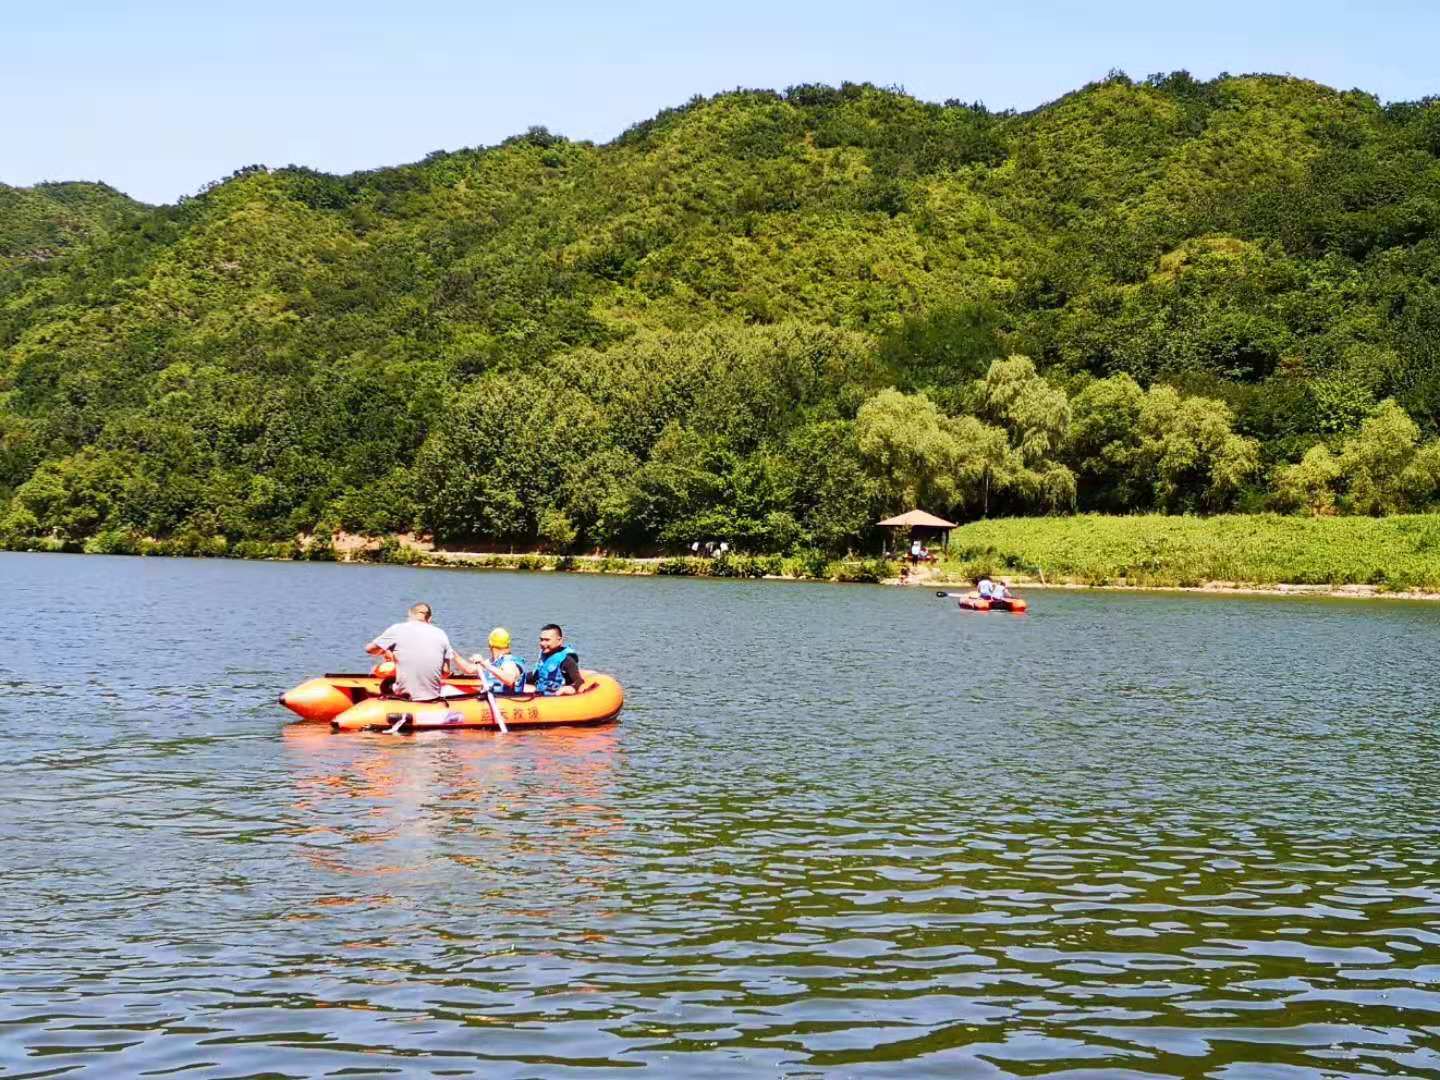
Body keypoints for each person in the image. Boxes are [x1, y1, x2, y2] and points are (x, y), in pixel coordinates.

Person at [366, 602, 478, 701]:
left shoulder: (397, 629)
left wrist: (387, 650)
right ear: (429, 619)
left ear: (409, 615)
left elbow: (370, 649)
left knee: (386, 684)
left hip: (405, 698)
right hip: (432, 698)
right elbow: (445, 671)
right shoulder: (441, 634)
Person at [468, 627, 526, 695]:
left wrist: (484, 664)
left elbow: (509, 680)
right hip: (491, 699)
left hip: (507, 702)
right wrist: (454, 655)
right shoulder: (492, 661)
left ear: (490, 645)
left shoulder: (509, 662)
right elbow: (468, 669)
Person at [529, 623, 583, 696]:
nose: (542, 643)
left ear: (559, 640)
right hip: (542, 694)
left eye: (547, 640)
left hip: (558, 699)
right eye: (541, 640)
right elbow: (536, 676)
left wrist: (571, 688)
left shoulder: (567, 660)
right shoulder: (543, 656)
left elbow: (579, 681)